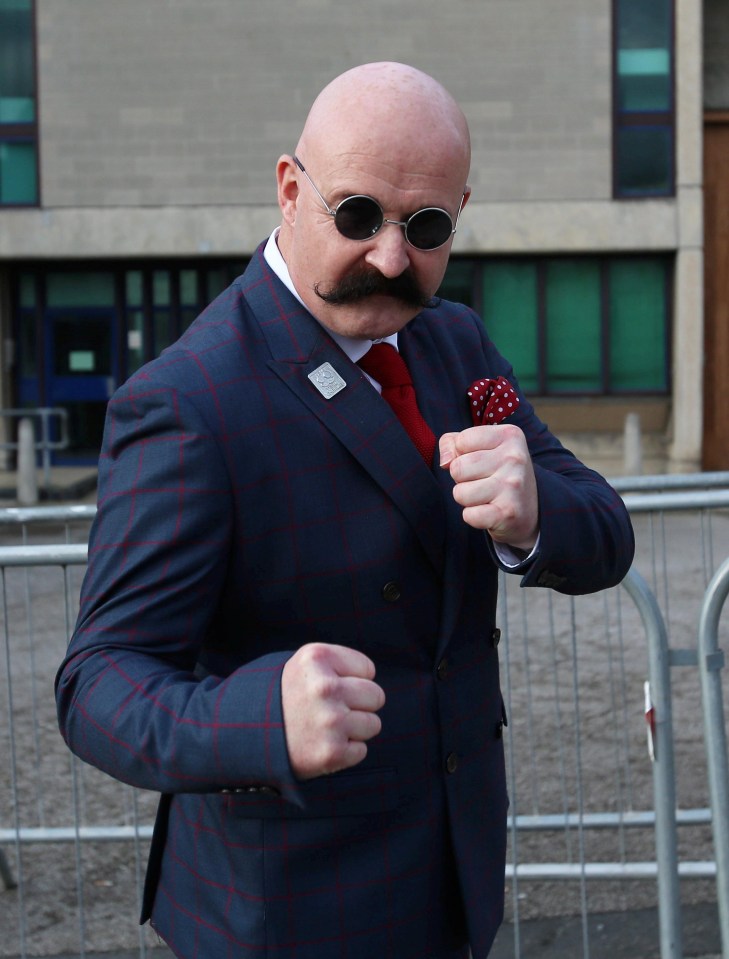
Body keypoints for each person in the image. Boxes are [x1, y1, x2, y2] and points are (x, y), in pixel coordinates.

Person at [56, 62, 634, 959]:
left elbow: (605, 533)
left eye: (428, 226)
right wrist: (259, 720)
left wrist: (531, 517)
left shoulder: (454, 341)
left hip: (453, 873)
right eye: (357, 215)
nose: (392, 258)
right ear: (290, 190)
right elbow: (96, 683)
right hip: (290, 909)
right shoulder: (189, 401)